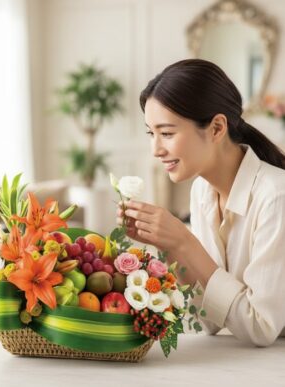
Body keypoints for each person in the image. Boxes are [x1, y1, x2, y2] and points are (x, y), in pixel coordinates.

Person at [117, 59, 285, 347]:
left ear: (217, 128)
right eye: (151, 133)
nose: (155, 149)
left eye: (167, 133)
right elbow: (207, 320)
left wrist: (184, 241)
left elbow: (261, 327)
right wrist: (167, 244)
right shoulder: (202, 191)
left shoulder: (276, 196)